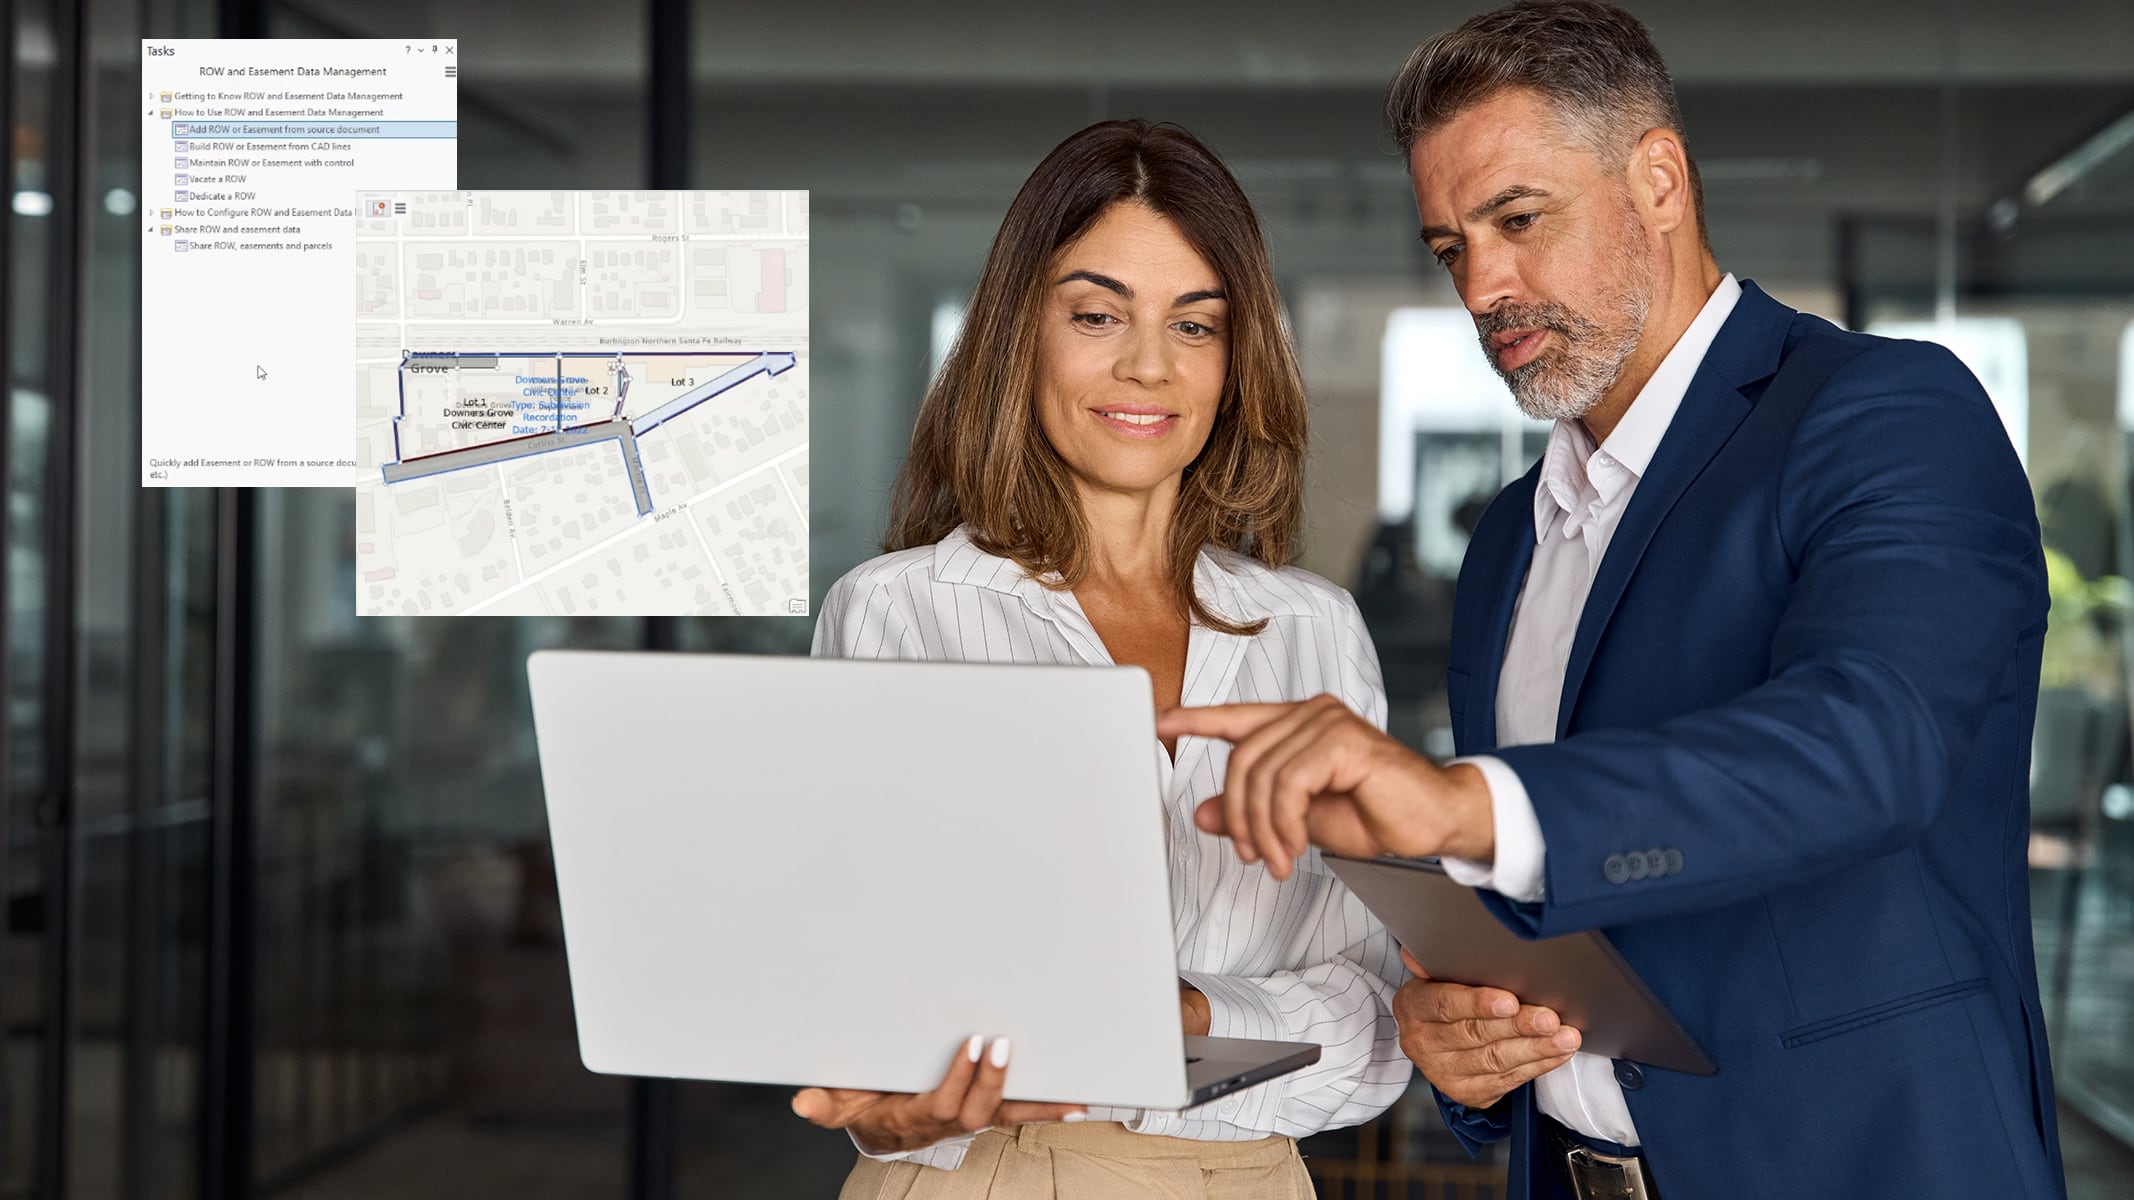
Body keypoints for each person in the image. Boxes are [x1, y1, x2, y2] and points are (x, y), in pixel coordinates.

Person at [1159, 4, 2067, 1198]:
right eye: (1449, 248)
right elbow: (1553, 921)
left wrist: (1459, 803)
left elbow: (1870, 744)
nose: (1483, 286)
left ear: (1658, 179)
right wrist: (1460, 1050)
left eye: (1518, 219)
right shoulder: (1507, 539)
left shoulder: (1884, 412)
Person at [795, 118, 1414, 1198]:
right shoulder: (898, 614)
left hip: (1251, 1181)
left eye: (1195, 324)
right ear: (1018, 334)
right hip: (978, 1179)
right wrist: (894, 1111)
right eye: (1097, 314)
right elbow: (851, 1001)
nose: (1147, 365)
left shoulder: (1314, 632)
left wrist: (1187, 1019)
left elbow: (1373, 1028)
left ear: (1236, 357)